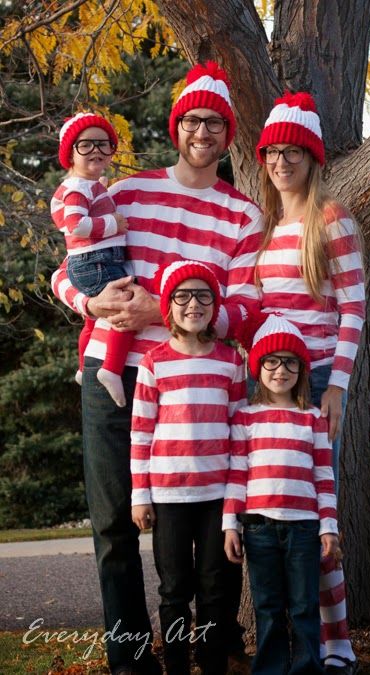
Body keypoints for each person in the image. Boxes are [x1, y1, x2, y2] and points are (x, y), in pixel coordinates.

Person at [51, 61, 262, 675]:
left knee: (203, 527)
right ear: (177, 128)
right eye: (193, 120)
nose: (203, 132)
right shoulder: (128, 193)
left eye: (216, 123)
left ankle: (212, 648)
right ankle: (131, 661)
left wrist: (165, 313)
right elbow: (69, 267)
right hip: (113, 376)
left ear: (228, 135)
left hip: (196, 390)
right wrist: (89, 303)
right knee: (116, 526)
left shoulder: (242, 216)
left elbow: (247, 310)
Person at [254, 92, 365, 674]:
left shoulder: (331, 219)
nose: (282, 162)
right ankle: (295, 643)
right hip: (272, 390)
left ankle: (338, 643)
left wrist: (337, 386)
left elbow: (354, 307)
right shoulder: (267, 224)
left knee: (319, 519)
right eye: (274, 151)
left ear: (312, 158)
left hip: (316, 381)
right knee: (279, 518)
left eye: (294, 152)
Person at [131, 259, 247, 675]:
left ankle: (212, 663)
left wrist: (236, 504)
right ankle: (177, 666)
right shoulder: (154, 362)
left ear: (214, 305)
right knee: (174, 589)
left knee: (217, 588)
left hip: (218, 497)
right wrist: (139, 496)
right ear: (168, 306)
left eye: (203, 295)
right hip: (168, 496)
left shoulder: (230, 362)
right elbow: (141, 433)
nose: (193, 304)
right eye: (182, 295)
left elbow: (240, 436)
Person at [223, 313, 339, 674]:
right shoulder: (245, 418)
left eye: (289, 362)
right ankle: (270, 668)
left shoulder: (313, 419)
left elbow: (324, 477)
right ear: (258, 368)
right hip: (258, 528)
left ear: (301, 370)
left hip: (304, 528)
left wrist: (329, 527)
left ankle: (307, 668)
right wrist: (231, 524)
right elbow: (237, 475)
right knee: (268, 605)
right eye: (271, 361)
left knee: (304, 605)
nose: (280, 370)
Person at [51, 112, 134, 408]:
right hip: (96, 261)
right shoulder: (77, 188)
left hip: (91, 262)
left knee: (91, 318)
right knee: (125, 309)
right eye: (86, 145)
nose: (96, 150)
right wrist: (113, 224)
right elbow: (76, 225)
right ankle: (110, 369)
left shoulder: (87, 184)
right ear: (70, 155)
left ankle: (81, 367)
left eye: (104, 144)